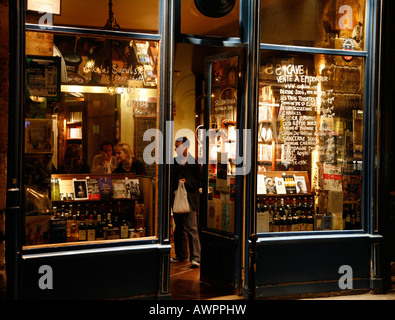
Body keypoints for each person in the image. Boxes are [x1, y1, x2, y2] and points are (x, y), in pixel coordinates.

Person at [170, 137, 202, 268]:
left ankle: (196, 258)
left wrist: (186, 182)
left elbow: (199, 182)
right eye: (176, 147)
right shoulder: (173, 163)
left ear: (186, 147)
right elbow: (170, 181)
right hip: (177, 198)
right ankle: (181, 255)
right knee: (179, 229)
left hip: (190, 199)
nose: (176, 149)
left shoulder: (193, 163)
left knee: (192, 228)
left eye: (179, 146)